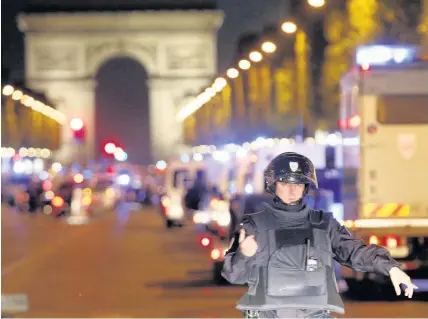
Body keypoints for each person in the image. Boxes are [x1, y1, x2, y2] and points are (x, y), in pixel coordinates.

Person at [221, 152, 417, 318]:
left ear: (306, 187)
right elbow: (234, 275)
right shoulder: (254, 226)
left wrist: (391, 268)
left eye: (298, 184)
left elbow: (354, 251)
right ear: (274, 185)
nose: (292, 190)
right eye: (285, 183)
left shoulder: (324, 224)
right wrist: (244, 255)